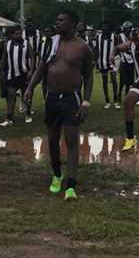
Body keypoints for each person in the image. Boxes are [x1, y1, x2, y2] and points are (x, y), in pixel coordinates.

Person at [24, 11, 93, 201]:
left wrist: (86, 101)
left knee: (72, 142)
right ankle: (57, 174)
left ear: (73, 23)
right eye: (57, 19)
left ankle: (71, 185)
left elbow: (88, 75)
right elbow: (41, 68)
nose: (57, 22)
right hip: (52, 97)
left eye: (62, 20)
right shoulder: (51, 42)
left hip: (72, 98)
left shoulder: (82, 47)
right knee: (52, 141)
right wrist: (30, 88)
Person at [0, 25, 34, 127]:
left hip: (24, 74)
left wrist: (31, 70)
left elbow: (32, 57)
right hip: (12, 74)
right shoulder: (7, 44)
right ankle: (9, 117)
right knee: (11, 96)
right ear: (12, 34)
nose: (18, 35)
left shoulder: (27, 44)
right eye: (16, 33)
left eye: (19, 33)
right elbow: (4, 58)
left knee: (26, 96)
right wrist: (1, 71)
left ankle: (27, 114)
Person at [95, 22, 120, 109]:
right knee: (104, 82)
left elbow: (119, 48)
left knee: (114, 80)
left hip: (112, 62)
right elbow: (97, 50)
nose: (104, 28)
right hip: (102, 62)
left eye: (106, 27)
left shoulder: (114, 37)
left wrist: (116, 60)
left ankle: (116, 101)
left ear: (109, 28)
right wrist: (97, 63)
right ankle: (107, 101)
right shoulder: (99, 37)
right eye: (103, 27)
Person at [116, 22, 136, 105]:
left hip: (131, 62)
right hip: (124, 61)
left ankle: (126, 96)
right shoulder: (120, 36)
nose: (128, 30)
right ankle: (119, 94)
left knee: (129, 82)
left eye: (129, 28)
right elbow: (120, 47)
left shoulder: (132, 36)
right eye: (126, 28)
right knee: (122, 81)